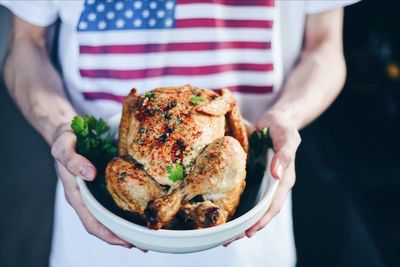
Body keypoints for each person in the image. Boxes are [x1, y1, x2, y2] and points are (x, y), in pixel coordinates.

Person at [1, 0, 359, 266]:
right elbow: (25, 45)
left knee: (226, 159)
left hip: (246, 236)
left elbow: (324, 46)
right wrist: (61, 128)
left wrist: (284, 117)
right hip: (98, 222)